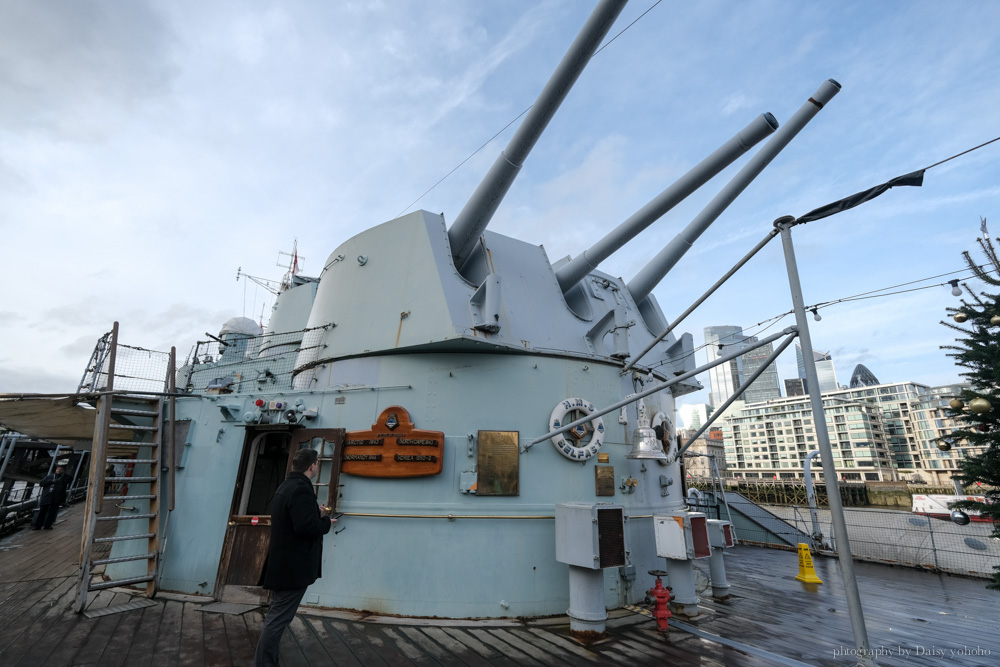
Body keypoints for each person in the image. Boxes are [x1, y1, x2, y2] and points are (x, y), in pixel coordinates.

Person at [253, 448, 334, 666]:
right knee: (278, 619)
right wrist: (325, 520)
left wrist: (313, 513)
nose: (317, 467)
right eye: (317, 464)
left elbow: (295, 520)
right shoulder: (301, 490)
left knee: (277, 616)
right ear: (312, 466)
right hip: (293, 567)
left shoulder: (286, 486)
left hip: (283, 564)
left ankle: (266, 661)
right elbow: (305, 528)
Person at [33, 464, 71, 530]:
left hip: (56, 498)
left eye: (60, 470)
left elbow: (70, 478)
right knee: (42, 512)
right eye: (58, 469)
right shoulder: (50, 477)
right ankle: (38, 525)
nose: (59, 470)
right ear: (55, 470)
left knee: (52, 512)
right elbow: (41, 483)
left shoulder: (63, 478)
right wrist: (51, 481)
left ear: (63, 471)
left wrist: (63, 474)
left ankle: (47, 525)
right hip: (47, 497)